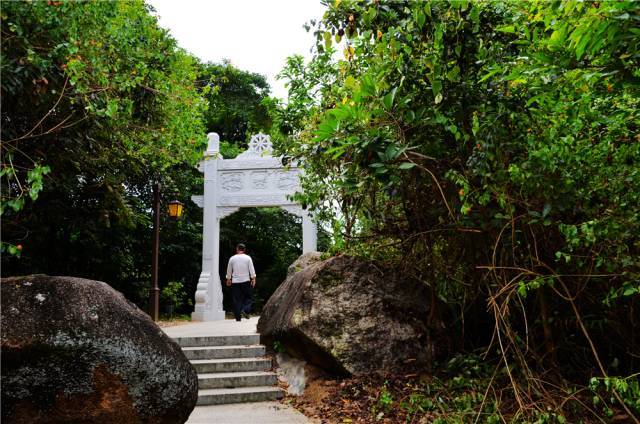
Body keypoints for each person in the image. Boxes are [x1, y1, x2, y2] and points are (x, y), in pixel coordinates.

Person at [225, 243, 256, 321]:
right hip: (246, 281)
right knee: (248, 297)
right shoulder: (248, 258)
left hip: (235, 282)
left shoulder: (232, 258)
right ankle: (245, 310)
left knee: (236, 299)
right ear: (244, 249)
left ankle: (238, 317)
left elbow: (229, 270)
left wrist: (229, 279)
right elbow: (251, 269)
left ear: (237, 249)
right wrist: (253, 278)